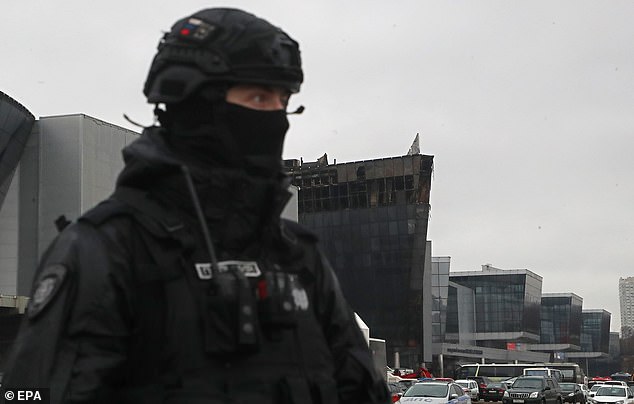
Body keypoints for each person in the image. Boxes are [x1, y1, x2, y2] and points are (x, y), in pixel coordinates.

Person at [2, 7, 389, 404]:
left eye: (283, 99)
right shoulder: (103, 253)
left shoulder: (297, 257)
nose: (276, 116)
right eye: (258, 97)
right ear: (194, 102)